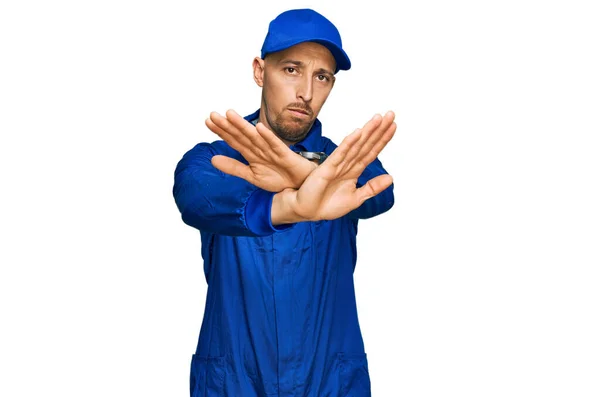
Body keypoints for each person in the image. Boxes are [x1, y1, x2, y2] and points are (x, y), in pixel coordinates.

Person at [173, 8, 396, 397]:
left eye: (321, 77)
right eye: (291, 70)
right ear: (260, 71)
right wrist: (291, 204)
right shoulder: (212, 160)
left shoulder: (343, 162)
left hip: (329, 381)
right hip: (234, 382)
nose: (306, 92)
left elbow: (381, 191)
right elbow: (194, 195)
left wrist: (306, 171)